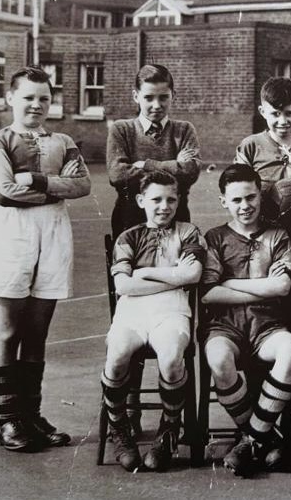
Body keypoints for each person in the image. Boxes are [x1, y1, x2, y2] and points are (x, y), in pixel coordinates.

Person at [0, 66, 91, 452]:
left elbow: (83, 185)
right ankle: (8, 420)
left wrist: (39, 181)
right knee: (9, 329)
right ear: (10, 98)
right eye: (28, 97)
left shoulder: (62, 139)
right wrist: (56, 189)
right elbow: (5, 192)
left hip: (54, 232)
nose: (37, 104)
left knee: (38, 332)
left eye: (44, 98)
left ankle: (31, 414)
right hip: (12, 233)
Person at [199, 164, 291, 477]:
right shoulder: (215, 237)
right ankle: (263, 437)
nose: (245, 206)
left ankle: (249, 440)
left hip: (267, 325)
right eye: (236, 200)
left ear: (261, 196)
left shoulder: (277, 235)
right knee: (218, 359)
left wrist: (229, 284)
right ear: (224, 202)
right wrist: (262, 288)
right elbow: (208, 295)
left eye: (250, 197)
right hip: (225, 325)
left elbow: (283, 287)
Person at [100, 170, 205, 472]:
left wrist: (143, 273)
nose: (164, 206)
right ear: (140, 200)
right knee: (118, 354)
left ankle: (168, 429)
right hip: (132, 310)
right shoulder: (128, 237)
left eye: (171, 199)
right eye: (156, 199)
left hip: (172, 310)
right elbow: (123, 287)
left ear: (179, 201)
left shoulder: (188, 232)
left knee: (172, 357)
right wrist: (174, 276)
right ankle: (120, 429)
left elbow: (193, 275)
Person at [106, 64, 201, 239]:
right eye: (149, 97)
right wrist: (174, 166)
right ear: (136, 96)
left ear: (173, 96)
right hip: (130, 219)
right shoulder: (122, 129)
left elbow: (190, 172)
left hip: (175, 217)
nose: (156, 105)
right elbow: (118, 175)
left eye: (163, 97)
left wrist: (146, 164)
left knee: (175, 265)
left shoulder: (184, 130)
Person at [234, 76, 291, 229]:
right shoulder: (250, 146)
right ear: (262, 112)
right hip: (261, 227)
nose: (283, 121)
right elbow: (237, 188)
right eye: (275, 114)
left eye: (289, 113)